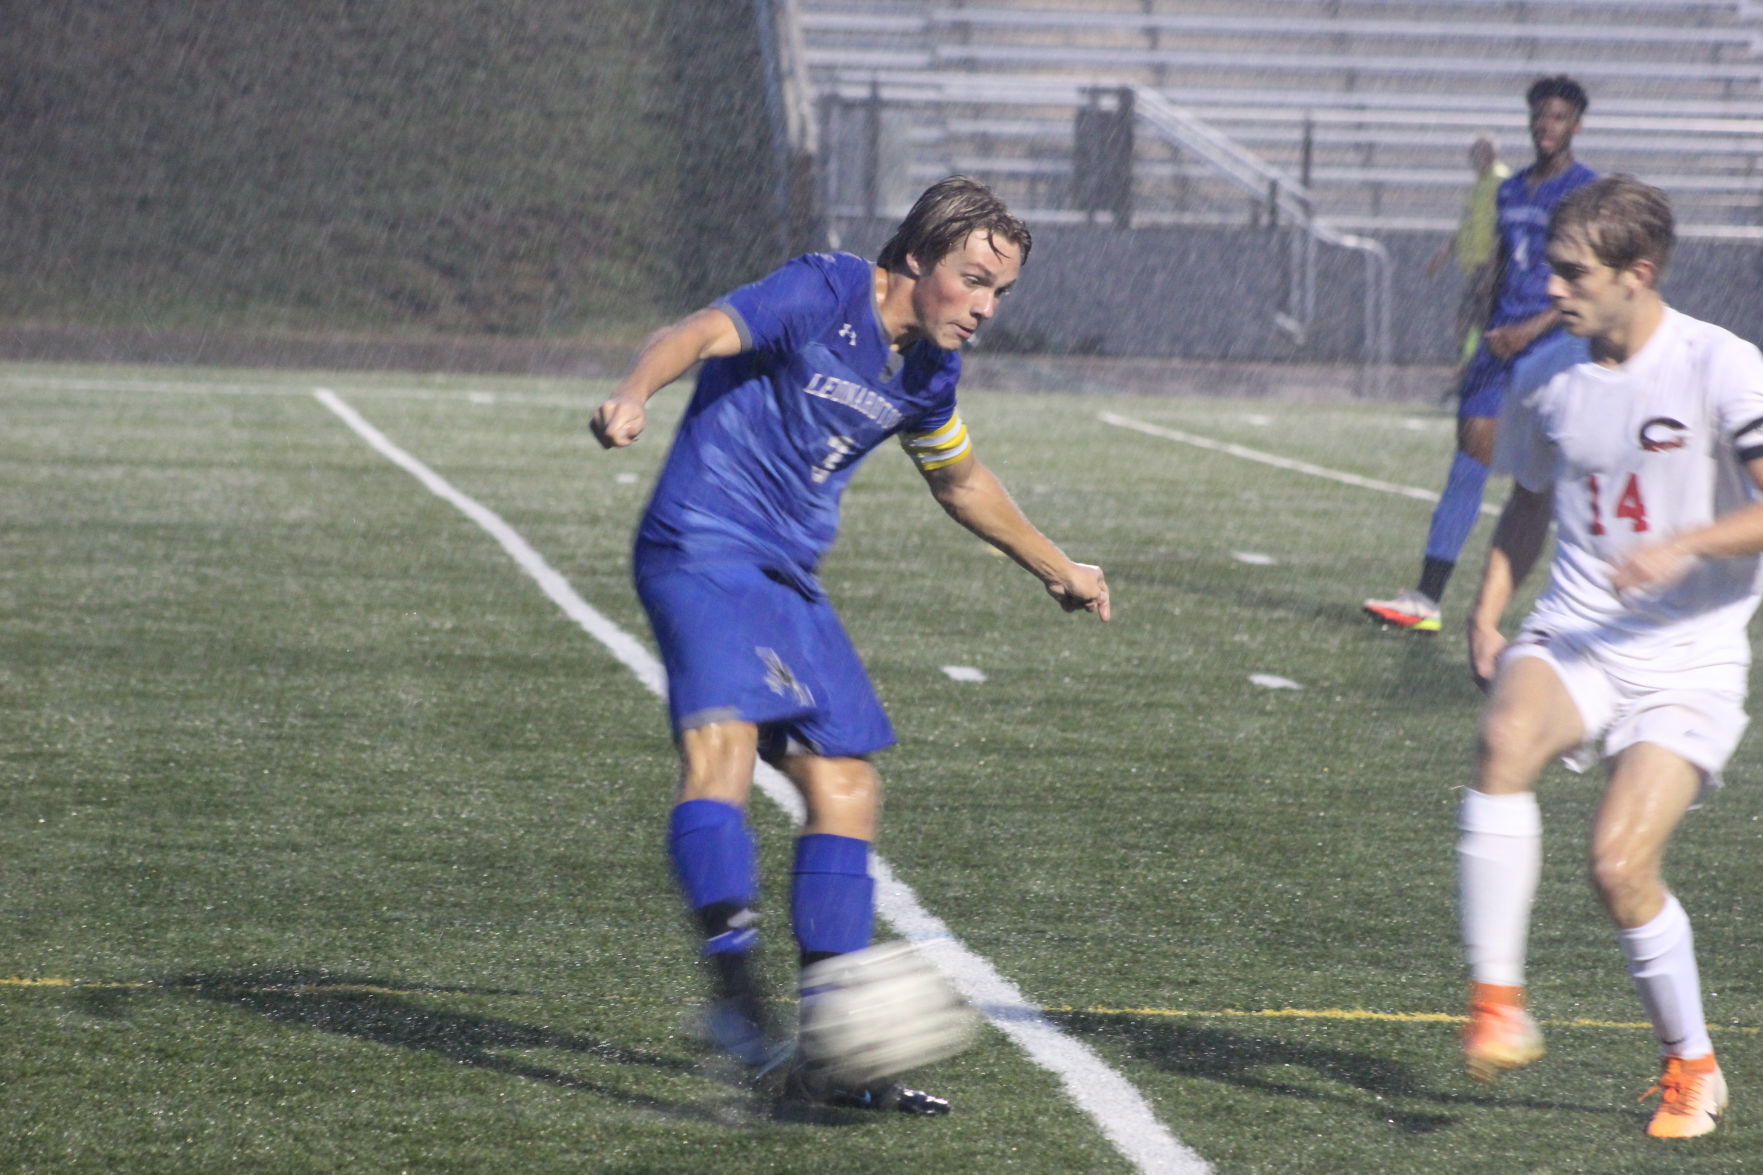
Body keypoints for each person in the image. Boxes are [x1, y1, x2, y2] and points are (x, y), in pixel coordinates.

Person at [590, 176, 1110, 1115]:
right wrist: (634, 393)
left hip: (787, 575)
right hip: (702, 545)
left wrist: (1055, 564)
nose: (986, 306)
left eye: (1000, 291)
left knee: (848, 785)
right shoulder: (822, 290)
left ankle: (826, 1058)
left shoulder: (928, 369)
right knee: (724, 748)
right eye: (974, 279)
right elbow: (701, 332)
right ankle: (736, 991)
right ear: (915, 257)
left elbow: (959, 479)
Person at [1457, 175, 1763, 1139]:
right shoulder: (1546, 377)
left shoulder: (1723, 367)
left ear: (1640, 273)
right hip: (1579, 633)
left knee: (1617, 865)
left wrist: (1685, 544)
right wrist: (1486, 609)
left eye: (1571, 272)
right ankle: (1496, 999)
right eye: (1549, 268)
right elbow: (1528, 503)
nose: (1552, 288)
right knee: (1505, 730)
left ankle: (1691, 1062)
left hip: (1691, 660)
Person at [1364, 76, 1596, 633]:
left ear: (1577, 125)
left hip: (1558, 344)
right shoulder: (1511, 188)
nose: (1548, 126)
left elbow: (1588, 279)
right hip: (1500, 344)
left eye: (1560, 117)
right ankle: (1427, 598)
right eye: (1541, 116)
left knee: (1549, 478)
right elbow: (1498, 263)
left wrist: (1535, 327)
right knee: (1469, 457)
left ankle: (1581, 604)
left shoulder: (1587, 191)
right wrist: (1478, 329)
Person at [1426, 134, 1512, 369]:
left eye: (1475, 152)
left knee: (1474, 323)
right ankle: (1471, 369)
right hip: (1477, 266)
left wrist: (1494, 265)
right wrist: (1445, 253)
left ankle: (1472, 371)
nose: (1471, 158)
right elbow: (1470, 226)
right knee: (1472, 323)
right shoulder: (1481, 184)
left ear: (1489, 154)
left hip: (1489, 266)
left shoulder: (1500, 181)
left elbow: (1502, 227)